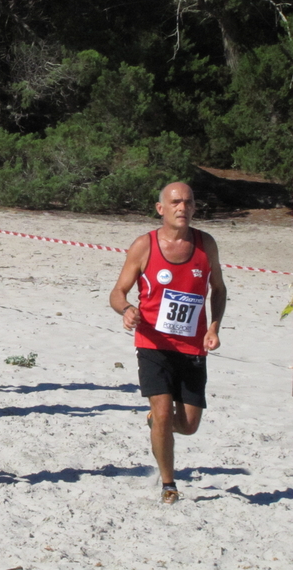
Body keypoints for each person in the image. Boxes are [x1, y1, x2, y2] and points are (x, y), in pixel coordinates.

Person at [109, 182, 226, 503]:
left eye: (188, 202)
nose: (182, 208)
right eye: (175, 202)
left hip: (192, 348)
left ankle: (157, 425)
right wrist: (127, 309)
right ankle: (168, 483)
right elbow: (117, 292)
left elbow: (219, 289)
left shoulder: (206, 244)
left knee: (188, 425)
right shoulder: (144, 246)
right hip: (152, 343)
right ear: (161, 209)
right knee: (162, 413)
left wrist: (214, 326)